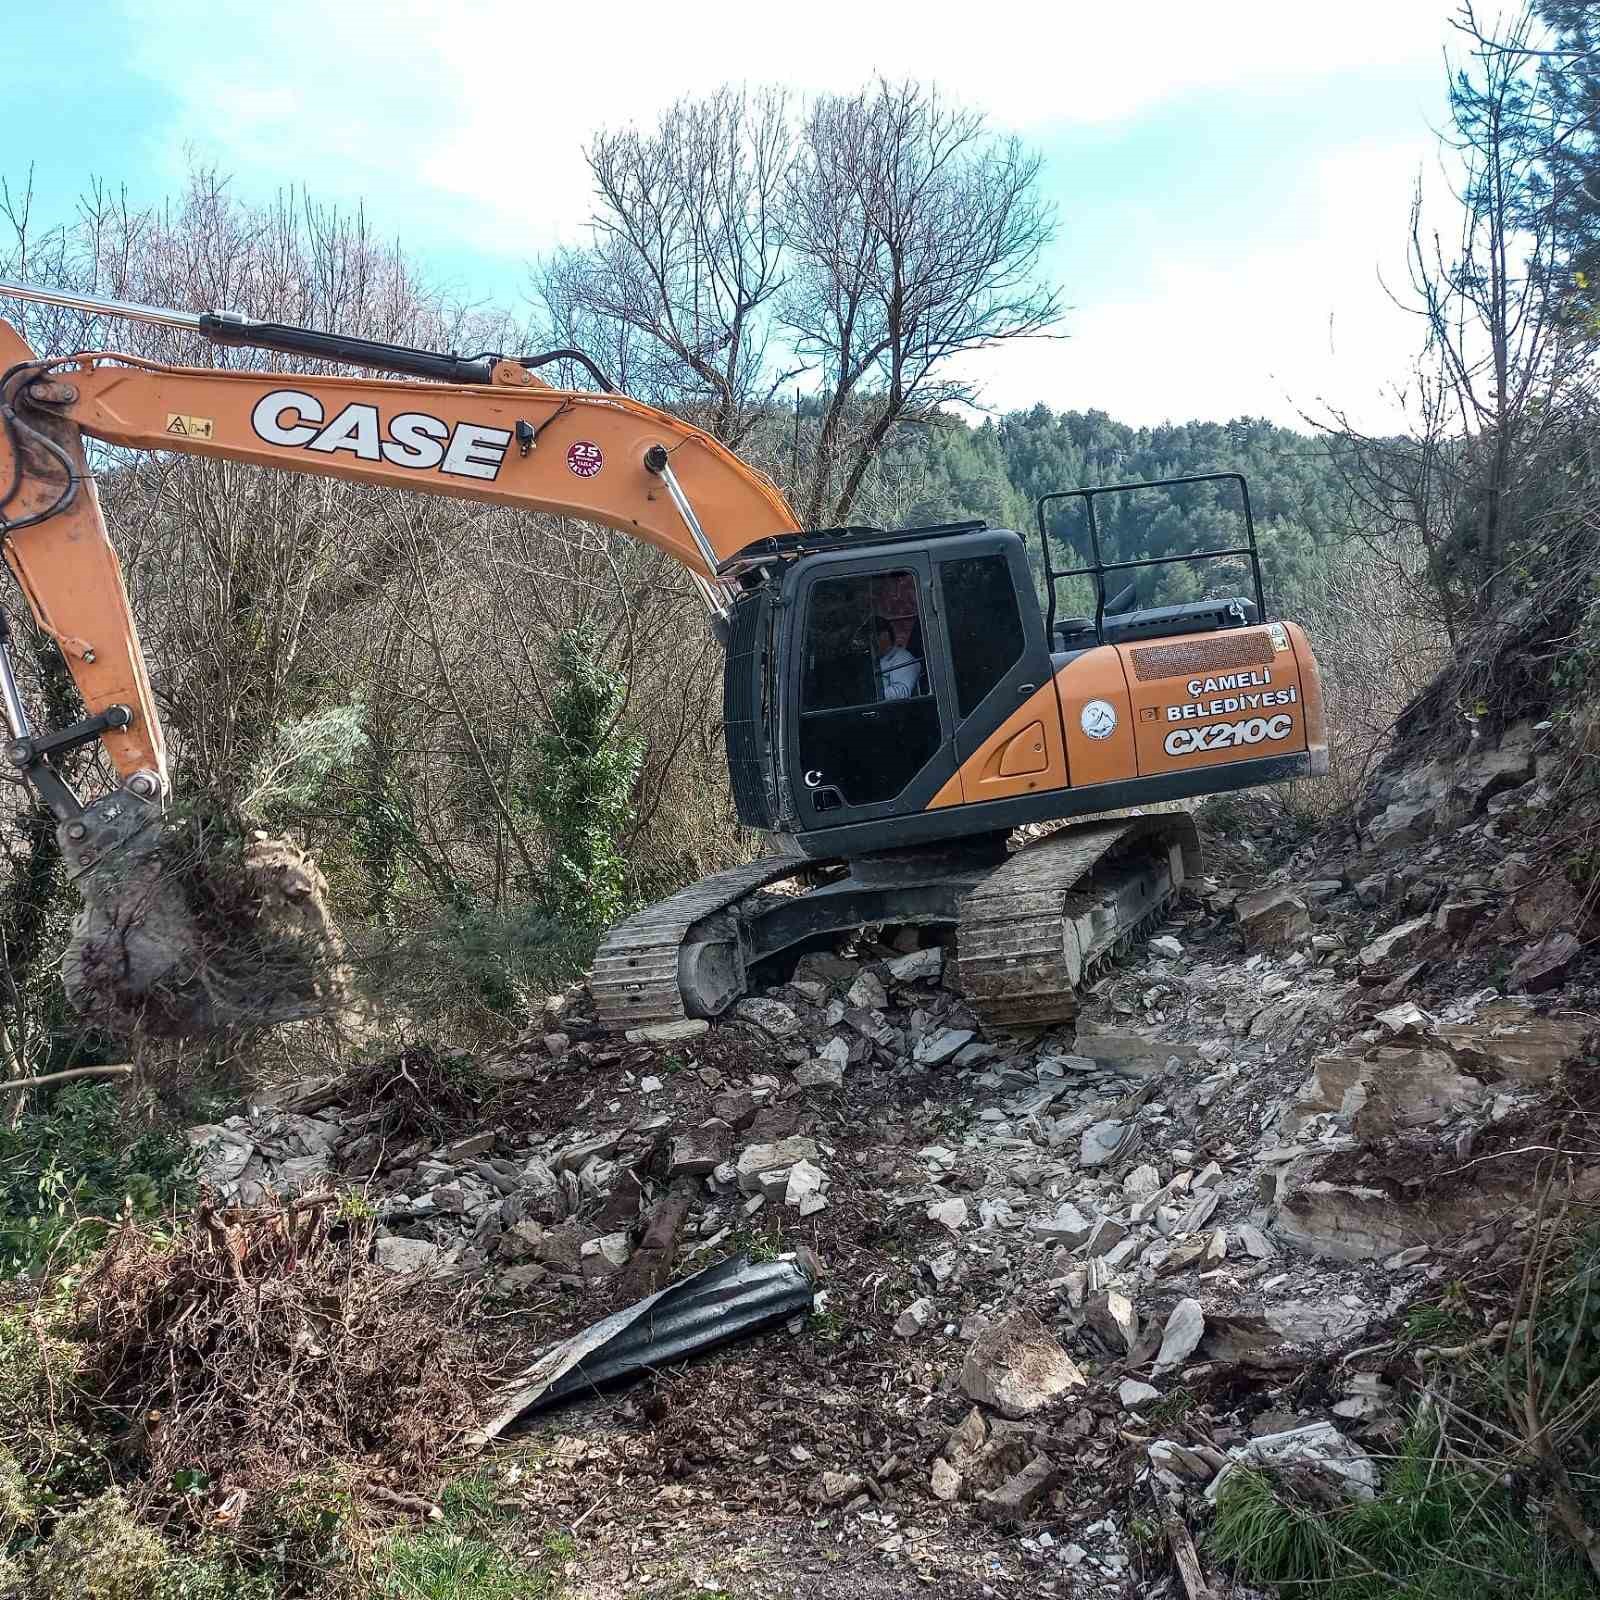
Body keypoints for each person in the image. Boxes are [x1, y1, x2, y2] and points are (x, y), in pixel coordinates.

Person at [874, 615, 920, 700]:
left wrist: (871, 694)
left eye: (873, 636)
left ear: (885, 635)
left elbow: (902, 693)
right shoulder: (874, 660)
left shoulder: (903, 658)